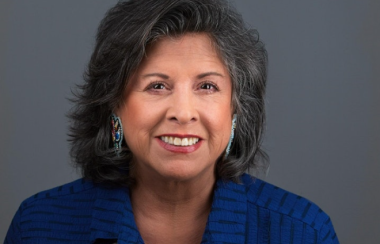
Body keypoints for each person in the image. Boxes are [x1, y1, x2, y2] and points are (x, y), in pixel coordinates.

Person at [5, 0, 339, 243]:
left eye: (207, 86)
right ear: (114, 107)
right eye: (157, 86)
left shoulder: (302, 231)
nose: (183, 111)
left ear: (236, 110)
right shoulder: (39, 227)